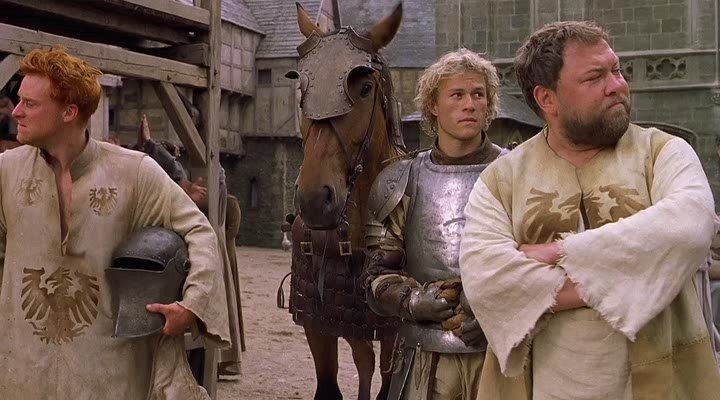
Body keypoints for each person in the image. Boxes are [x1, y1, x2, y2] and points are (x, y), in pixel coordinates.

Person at [459, 21, 720, 399]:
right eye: (595, 77)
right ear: (547, 99)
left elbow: (688, 227)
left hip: (664, 383)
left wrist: (557, 252)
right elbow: (487, 280)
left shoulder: (663, 152)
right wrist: (640, 266)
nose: (617, 85)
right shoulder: (501, 180)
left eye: (617, 70)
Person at [1, 46, 230, 399]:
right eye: (19, 101)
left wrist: (192, 303)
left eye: (30, 103)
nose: (16, 111)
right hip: (24, 372)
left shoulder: (134, 173)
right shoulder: (7, 172)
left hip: (109, 376)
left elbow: (198, 231)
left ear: (69, 112)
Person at [363, 48, 522, 400]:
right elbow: (375, 276)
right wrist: (412, 301)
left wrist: (497, 313)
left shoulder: (517, 173)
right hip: (426, 360)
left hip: (502, 357)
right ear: (433, 105)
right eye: (457, 95)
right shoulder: (402, 180)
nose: (470, 105)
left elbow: (539, 263)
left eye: (478, 94)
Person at [133, 114, 245, 377]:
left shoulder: (212, 173)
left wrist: (151, 145)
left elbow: (178, 180)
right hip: (207, 244)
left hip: (206, 246)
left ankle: (214, 365)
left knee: (204, 304)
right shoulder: (202, 174)